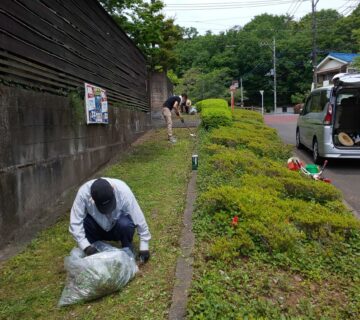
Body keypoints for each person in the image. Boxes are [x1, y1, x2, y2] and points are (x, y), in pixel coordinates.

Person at [69, 177, 151, 263]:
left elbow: (137, 216)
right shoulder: (83, 194)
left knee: (125, 224)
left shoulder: (123, 190)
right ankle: (94, 250)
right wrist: (86, 247)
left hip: (117, 226)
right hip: (97, 228)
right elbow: (75, 222)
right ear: (92, 198)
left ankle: (127, 247)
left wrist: (144, 247)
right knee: (85, 222)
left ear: (113, 189)